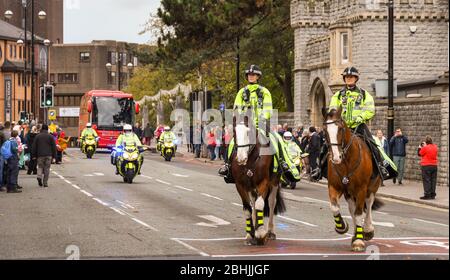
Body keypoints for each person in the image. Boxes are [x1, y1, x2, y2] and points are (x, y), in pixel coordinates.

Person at [218, 64, 300, 183]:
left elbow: (267, 109)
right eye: (249, 75)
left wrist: (260, 119)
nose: (251, 77)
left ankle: (284, 164)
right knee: (231, 143)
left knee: (277, 139)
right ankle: (227, 165)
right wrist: (243, 119)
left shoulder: (264, 92)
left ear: (258, 76)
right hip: (245, 125)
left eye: (253, 75)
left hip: (260, 125)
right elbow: (237, 108)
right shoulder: (242, 92)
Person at [322, 66, 397, 180]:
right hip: (342, 126)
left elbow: (370, 110)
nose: (349, 79)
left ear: (356, 78)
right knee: (326, 145)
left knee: (373, 145)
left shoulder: (364, 94)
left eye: (351, 77)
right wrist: (338, 119)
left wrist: (360, 117)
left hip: (359, 125)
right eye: (347, 77)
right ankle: (318, 169)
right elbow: (333, 110)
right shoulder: (338, 95)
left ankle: (381, 167)